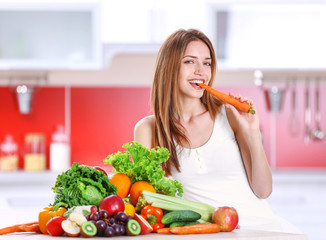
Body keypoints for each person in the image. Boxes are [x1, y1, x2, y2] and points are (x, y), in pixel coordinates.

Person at [134, 28, 281, 231]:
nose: (200, 71)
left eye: (207, 63)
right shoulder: (148, 129)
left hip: (262, 229)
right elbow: (146, 201)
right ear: (168, 67)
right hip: (208, 233)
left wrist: (253, 134)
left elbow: (263, 190)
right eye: (189, 61)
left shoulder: (229, 116)